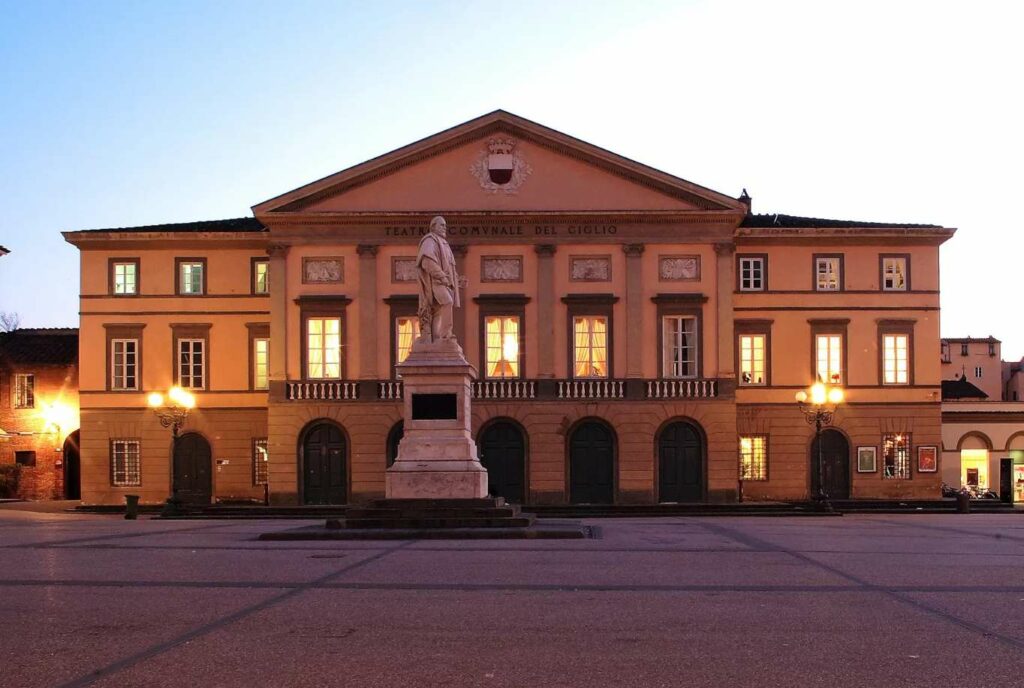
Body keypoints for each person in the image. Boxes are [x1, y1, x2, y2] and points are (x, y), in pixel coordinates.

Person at [416, 216, 464, 343]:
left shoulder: (444, 244)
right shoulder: (430, 241)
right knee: (447, 302)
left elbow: (449, 267)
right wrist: (442, 276)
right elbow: (427, 262)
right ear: (433, 227)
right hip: (436, 282)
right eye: (441, 225)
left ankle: (435, 338)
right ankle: (445, 335)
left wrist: (456, 280)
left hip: (445, 282)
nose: (444, 227)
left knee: (437, 311)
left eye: (445, 225)